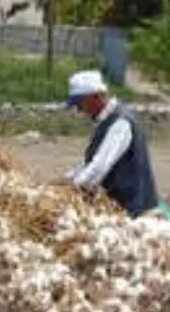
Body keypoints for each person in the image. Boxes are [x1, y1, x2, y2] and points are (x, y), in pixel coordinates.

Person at [63, 70, 161, 217]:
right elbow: (89, 163)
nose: (78, 109)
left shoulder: (120, 122)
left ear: (95, 97)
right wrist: (67, 180)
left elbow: (99, 166)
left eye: (79, 103)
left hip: (130, 207)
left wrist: (70, 191)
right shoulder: (106, 121)